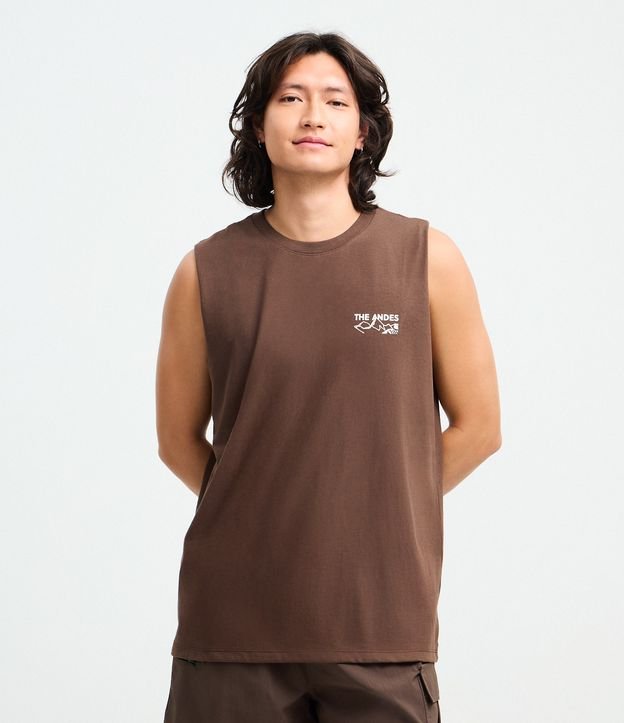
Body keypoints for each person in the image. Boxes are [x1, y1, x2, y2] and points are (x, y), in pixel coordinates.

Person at [156, 30, 501, 723]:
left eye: (335, 101)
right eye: (290, 98)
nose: (313, 115)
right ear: (259, 127)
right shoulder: (205, 271)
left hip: (381, 626)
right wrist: (263, 510)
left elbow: (480, 427)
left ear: (363, 132)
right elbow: (177, 441)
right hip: (232, 629)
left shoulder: (426, 259)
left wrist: (378, 508)